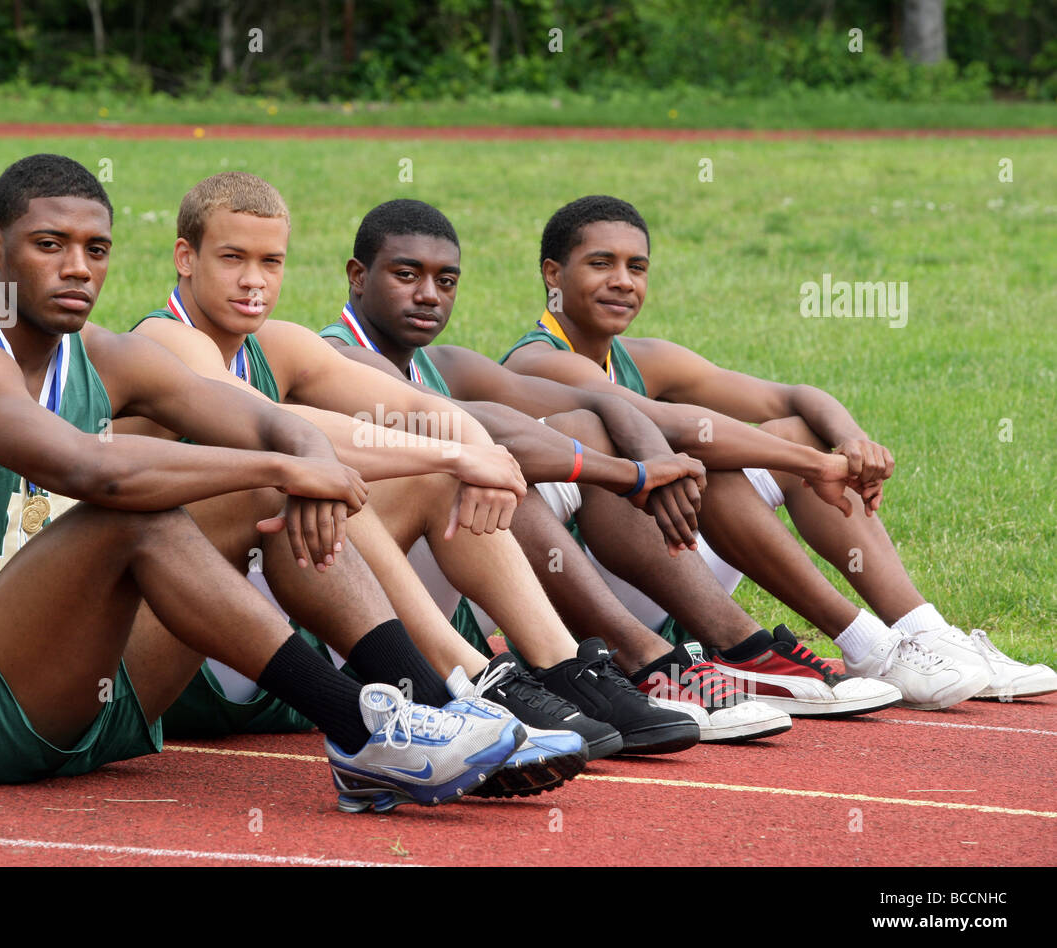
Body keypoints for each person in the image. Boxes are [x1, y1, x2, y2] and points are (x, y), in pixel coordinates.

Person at [0, 153, 526, 814]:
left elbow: (266, 422)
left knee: (265, 493)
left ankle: (436, 711)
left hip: (104, 697)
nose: (77, 268)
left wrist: (304, 462)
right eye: (49, 245)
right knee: (130, 511)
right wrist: (282, 465)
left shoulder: (105, 355)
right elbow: (90, 471)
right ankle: (358, 727)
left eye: (96, 250)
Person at [125, 171, 705, 759]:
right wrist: (456, 453)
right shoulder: (163, 339)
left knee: (428, 475)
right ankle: (463, 684)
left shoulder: (279, 344)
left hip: (278, 641)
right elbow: (277, 430)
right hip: (161, 654)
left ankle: (560, 669)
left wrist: (477, 455)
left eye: (270, 262)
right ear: (185, 258)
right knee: (320, 474)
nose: (254, 281)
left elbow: (421, 408)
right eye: (232, 258)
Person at [323, 199, 909, 733]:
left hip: (499, 577)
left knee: (668, 449)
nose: (429, 294)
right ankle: (669, 657)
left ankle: (894, 637)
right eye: (407, 275)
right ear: (358, 276)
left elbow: (613, 400)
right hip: (354, 592)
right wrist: (630, 471)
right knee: (512, 462)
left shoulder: (449, 360)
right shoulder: (332, 357)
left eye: (445, 281)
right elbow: (479, 427)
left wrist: (653, 454)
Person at [504, 195, 1053, 706]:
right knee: (711, 457)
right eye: (602, 264)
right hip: (591, 592)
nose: (623, 282)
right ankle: (870, 648)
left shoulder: (645, 357)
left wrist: (850, 441)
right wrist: (818, 466)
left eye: (637, 267)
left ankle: (926, 633)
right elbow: (676, 425)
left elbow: (792, 396)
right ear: (554, 274)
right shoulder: (535, 363)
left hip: (668, 563)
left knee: (793, 431)